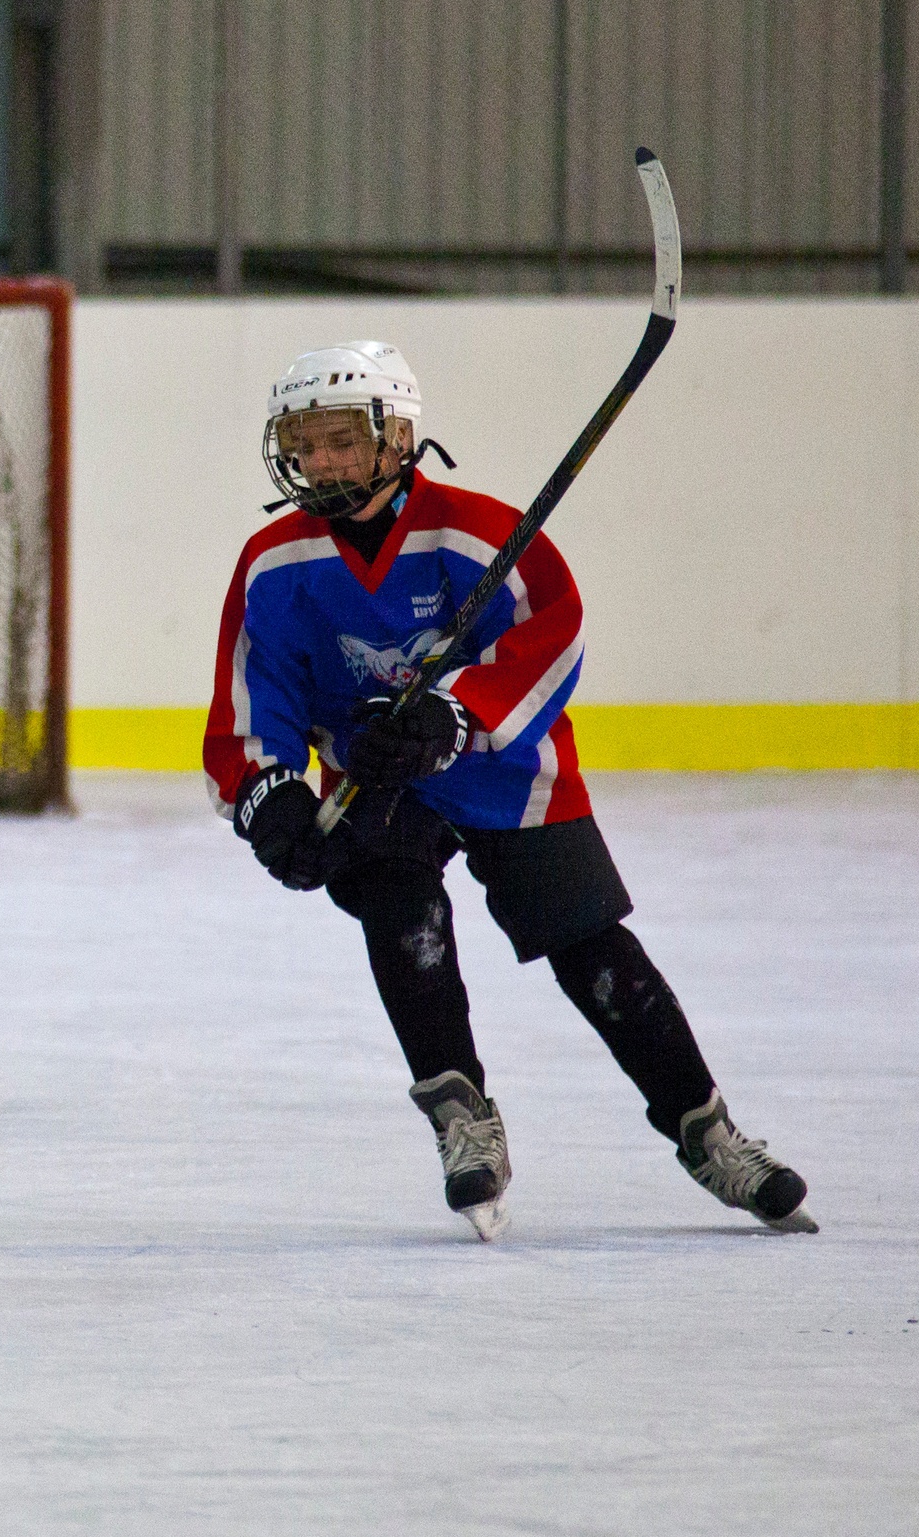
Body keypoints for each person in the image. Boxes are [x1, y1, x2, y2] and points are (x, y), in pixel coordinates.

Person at [203, 342, 816, 1241]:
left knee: (594, 952)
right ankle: (461, 1116)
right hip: (380, 786)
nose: (321, 461)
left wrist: (459, 715)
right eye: (305, 442)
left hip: (509, 770)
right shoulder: (275, 563)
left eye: (341, 439)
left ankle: (708, 1131)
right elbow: (250, 706)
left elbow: (551, 634)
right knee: (399, 912)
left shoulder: (474, 534)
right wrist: (271, 799)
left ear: (396, 435)